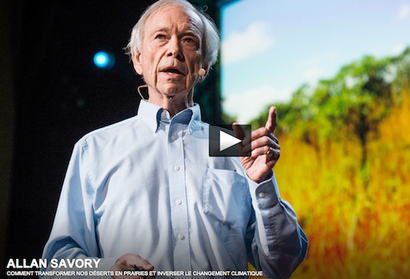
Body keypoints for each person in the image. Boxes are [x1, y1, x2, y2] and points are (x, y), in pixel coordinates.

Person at [42, 0, 308, 278]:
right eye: (160, 37)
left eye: (189, 39)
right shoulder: (94, 148)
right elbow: (55, 263)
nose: (174, 50)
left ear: (204, 65)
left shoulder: (232, 142)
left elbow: (283, 265)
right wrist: (106, 270)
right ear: (138, 59)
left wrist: (263, 183)